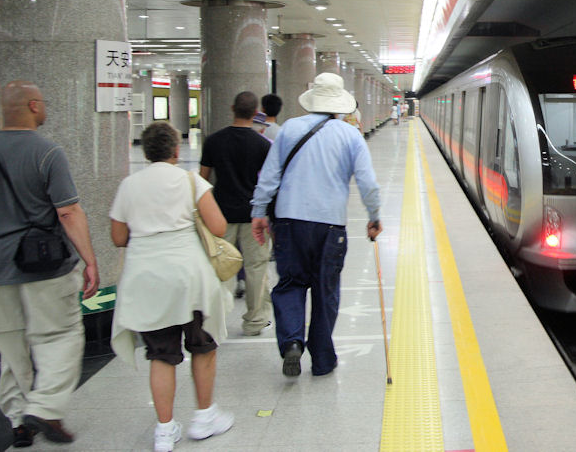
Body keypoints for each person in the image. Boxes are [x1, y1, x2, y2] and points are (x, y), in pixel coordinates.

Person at [109, 122, 234, 452]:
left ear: (146, 152)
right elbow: (219, 227)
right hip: (189, 276)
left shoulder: (129, 185)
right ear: (176, 150)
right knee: (202, 345)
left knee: (161, 355)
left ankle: (165, 430)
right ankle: (204, 416)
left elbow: (118, 237)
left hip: (146, 279)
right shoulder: (191, 180)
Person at [250, 73, 382, 377]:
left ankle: (292, 341)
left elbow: (268, 176)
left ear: (311, 101)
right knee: (326, 290)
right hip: (330, 226)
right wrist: (374, 217)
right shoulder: (350, 134)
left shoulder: (290, 129)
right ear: (339, 105)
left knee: (290, 284)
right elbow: (368, 183)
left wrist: (259, 212)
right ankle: (322, 360)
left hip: (288, 222)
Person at [0, 80, 99, 447]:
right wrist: (89, 260)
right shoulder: (47, 152)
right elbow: (69, 211)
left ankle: (18, 420)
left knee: (11, 345)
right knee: (60, 335)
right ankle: (43, 406)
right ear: (34, 106)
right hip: (43, 265)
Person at [199, 92, 273, 336]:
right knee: (256, 268)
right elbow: (269, 182)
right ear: (255, 114)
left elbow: (203, 181)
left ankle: (214, 320)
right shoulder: (262, 144)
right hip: (254, 215)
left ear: (232, 108)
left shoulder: (214, 141)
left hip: (220, 216)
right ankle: (254, 320)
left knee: (219, 268)